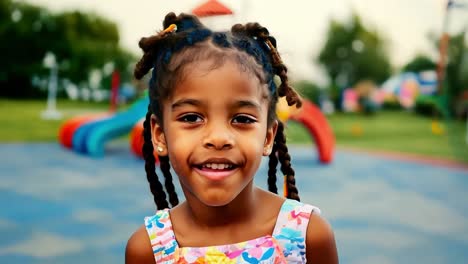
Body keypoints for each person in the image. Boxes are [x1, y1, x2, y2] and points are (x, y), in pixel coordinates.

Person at [125, 12, 338, 263]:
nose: (218, 138)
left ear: (268, 137)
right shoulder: (148, 250)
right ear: (159, 135)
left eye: (242, 119)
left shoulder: (308, 237)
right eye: (192, 118)